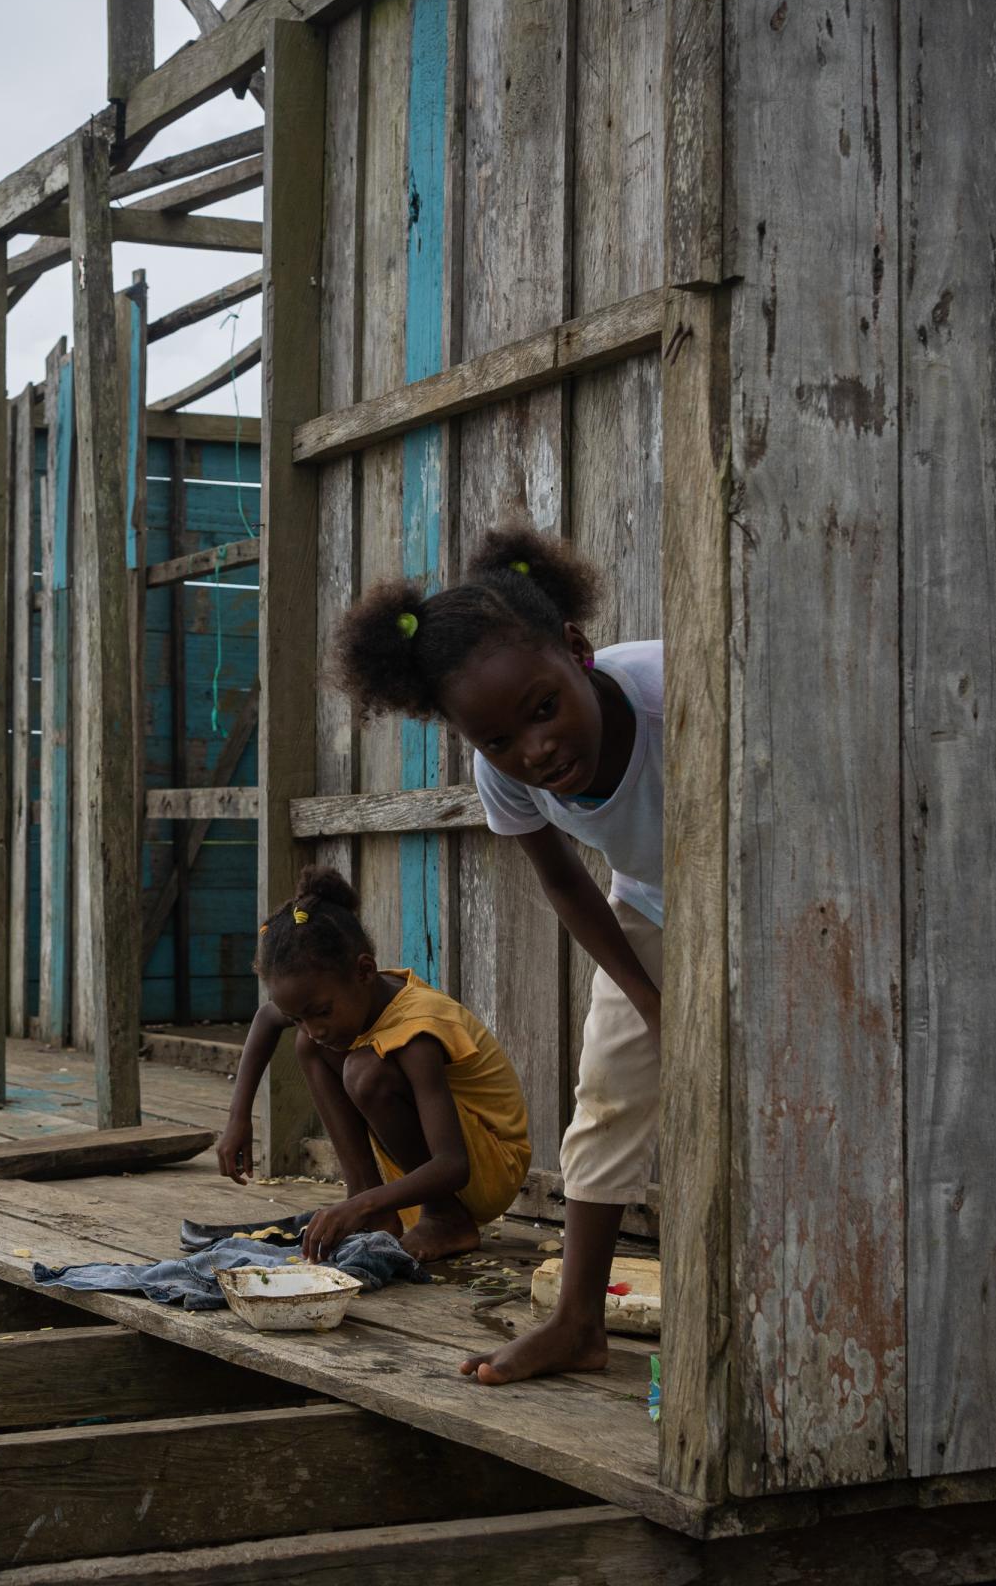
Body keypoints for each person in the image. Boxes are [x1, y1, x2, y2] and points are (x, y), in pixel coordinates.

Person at [332, 525, 663, 1385]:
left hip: (776, 897)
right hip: (653, 910)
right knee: (609, 1098)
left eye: (544, 710)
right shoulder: (507, 778)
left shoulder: (671, 690)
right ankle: (579, 1325)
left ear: (577, 651)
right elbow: (566, 885)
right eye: (500, 741)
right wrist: (647, 994)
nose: (535, 750)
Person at [215, 866, 532, 1264]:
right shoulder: (332, 1003)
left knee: (365, 1072)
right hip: (438, 1169)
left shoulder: (417, 1030)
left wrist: (359, 1206)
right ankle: (375, 1210)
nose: (313, 1027)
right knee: (310, 1047)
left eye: (320, 1012)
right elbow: (266, 1019)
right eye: (299, 1016)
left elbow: (453, 1166)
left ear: (365, 971)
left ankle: (445, 1219)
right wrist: (238, 1118)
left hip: (487, 1167)